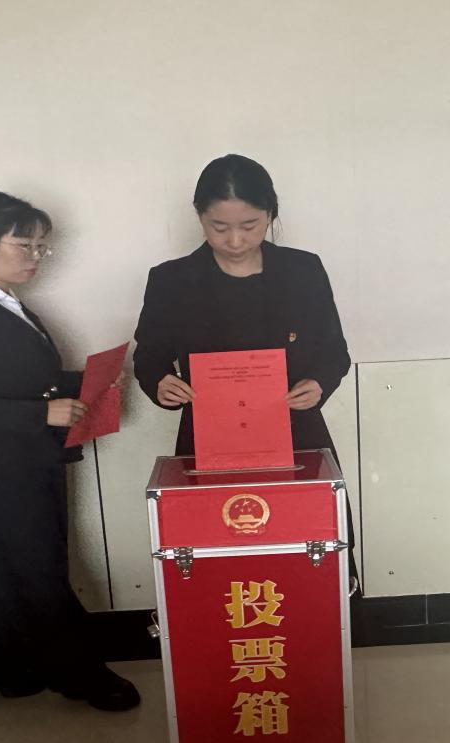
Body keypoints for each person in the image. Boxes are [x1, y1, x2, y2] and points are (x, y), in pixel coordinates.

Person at [0, 191, 139, 712]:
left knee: (11, 569)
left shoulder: (7, 303)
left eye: (42, 247)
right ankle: (79, 675)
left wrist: (90, 384)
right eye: (25, 245)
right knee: (38, 571)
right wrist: (40, 414)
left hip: (30, 458)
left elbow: (26, 378)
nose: (36, 257)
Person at [132, 155, 357, 576]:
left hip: (297, 434)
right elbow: (148, 356)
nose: (235, 240)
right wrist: (160, 382)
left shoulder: (303, 271)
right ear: (200, 217)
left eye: (250, 225)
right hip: (208, 442)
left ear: (270, 214)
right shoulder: (172, 280)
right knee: (217, 552)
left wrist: (319, 382)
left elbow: (334, 351)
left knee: (310, 548)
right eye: (219, 227)